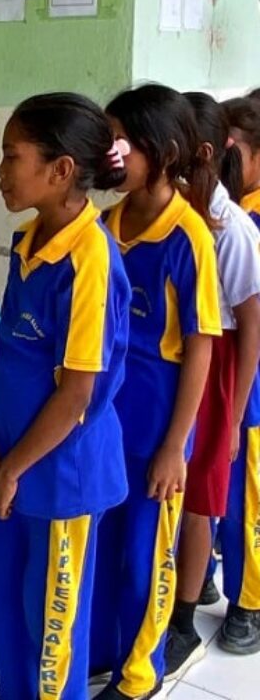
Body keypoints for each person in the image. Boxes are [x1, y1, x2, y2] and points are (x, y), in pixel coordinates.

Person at [0, 93, 130, 700]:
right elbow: (13, 359)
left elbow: (77, 395)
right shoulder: (30, 241)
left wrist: (12, 467)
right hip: (14, 459)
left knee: (53, 624)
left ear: (61, 169)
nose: (2, 170)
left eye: (13, 156)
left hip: (60, 472)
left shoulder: (90, 259)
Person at [90, 84, 221, 700]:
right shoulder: (106, 224)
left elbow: (201, 346)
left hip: (156, 423)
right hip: (105, 419)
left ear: (162, 153)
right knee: (104, 542)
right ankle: (102, 652)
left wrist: (176, 446)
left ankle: (140, 674)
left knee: (145, 554)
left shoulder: (188, 237)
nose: (107, 155)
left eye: (119, 142)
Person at [163, 93, 260, 678]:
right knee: (174, 489)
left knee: (202, 499)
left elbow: (250, 327)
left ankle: (183, 620)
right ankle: (172, 589)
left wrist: (237, 408)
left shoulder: (231, 232)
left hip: (219, 369)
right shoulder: (176, 215)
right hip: (176, 365)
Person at [215, 96, 260, 654]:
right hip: (227, 363)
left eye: (229, 154)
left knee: (248, 487)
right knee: (223, 478)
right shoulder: (234, 206)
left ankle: (248, 600)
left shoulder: (247, 220)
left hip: (251, 371)